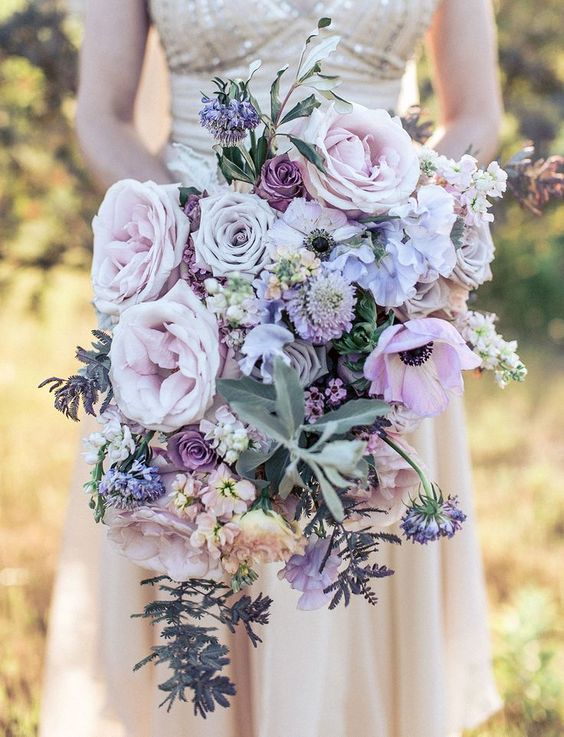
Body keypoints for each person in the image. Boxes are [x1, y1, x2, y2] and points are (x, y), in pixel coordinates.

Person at [40, 1, 504, 736]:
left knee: (361, 568)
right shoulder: (190, 281)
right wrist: (191, 249)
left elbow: (477, 113)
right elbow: (102, 115)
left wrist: (399, 227)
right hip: (189, 310)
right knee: (198, 556)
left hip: (375, 313)